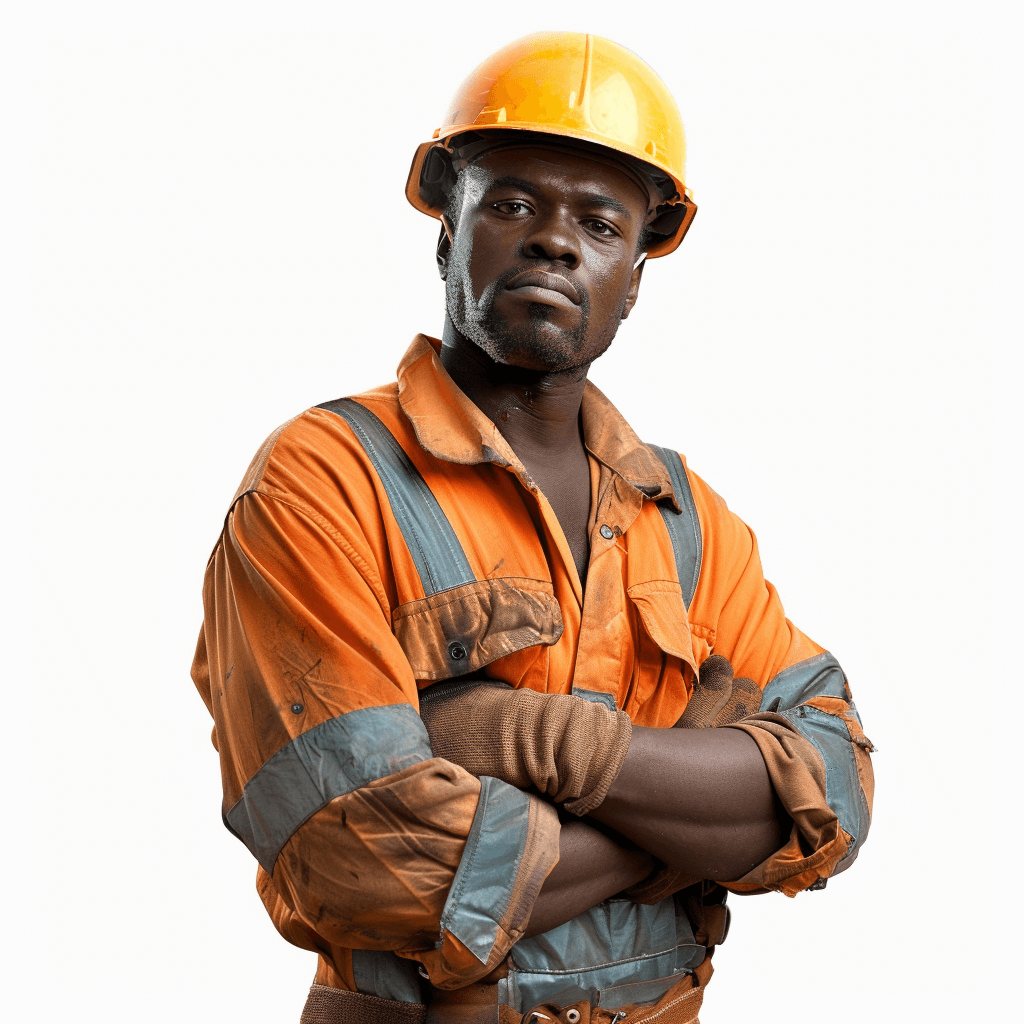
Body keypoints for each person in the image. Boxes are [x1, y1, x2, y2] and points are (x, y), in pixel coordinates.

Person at [191, 32, 874, 1024]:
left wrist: (522, 738)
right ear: (446, 231)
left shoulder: (687, 524)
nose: (555, 240)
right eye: (511, 203)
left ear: (634, 277)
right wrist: (691, 822)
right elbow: (364, 855)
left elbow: (838, 789)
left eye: (601, 222)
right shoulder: (324, 483)